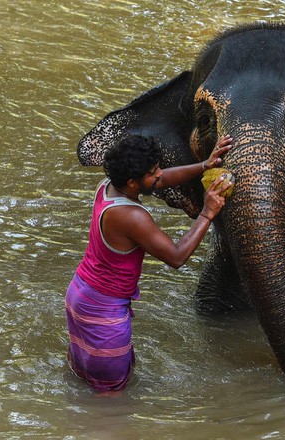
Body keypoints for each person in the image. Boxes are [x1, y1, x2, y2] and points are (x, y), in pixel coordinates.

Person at [65, 134, 233, 393]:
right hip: (103, 312)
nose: (159, 175)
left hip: (82, 295)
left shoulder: (108, 185)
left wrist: (204, 166)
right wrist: (207, 212)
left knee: (85, 381)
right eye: (153, 172)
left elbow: (163, 179)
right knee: (110, 400)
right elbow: (177, 256)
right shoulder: (132, 217)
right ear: (133, 182)